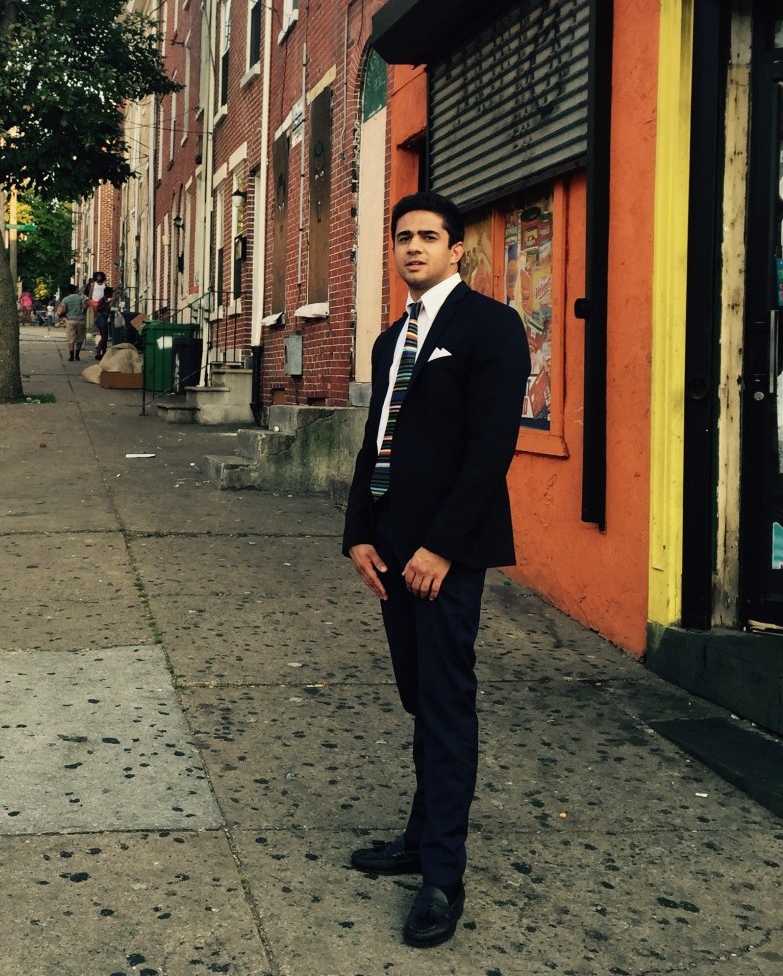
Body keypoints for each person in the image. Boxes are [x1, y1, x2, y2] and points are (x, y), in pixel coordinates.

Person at [341, 191, 530, 949]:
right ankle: (420, 838)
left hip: (445, 555)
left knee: (448, 706)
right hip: (390, 549)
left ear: (458, 250)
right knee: (421, 698)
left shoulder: (489, 327)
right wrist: (359, 531)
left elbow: (491, 449)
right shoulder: (393, 340)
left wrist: (442, 547)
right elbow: (376, 440)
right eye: (402, 237)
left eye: (428, 237)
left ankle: (443, 877)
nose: (412, 247)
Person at [56, 284, 88, 361]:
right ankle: (77, 355)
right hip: (80, 320)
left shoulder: (65, 299)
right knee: (80, 338)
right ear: (75, 290)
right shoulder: (81, 298)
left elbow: (63, 310)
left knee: (71, 338)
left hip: (70, 320)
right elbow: (84, 307)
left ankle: (71, 356)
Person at [94, 286, 114, 360]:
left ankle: (104, 353)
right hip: (101, 319)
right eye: (111, 293)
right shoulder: (102, 300)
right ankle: (98, 353)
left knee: (105, 337)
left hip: (104, 319)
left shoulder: (106, 300)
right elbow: (98, 309)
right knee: (104, 337)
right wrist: (107, 304)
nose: (112, 295)